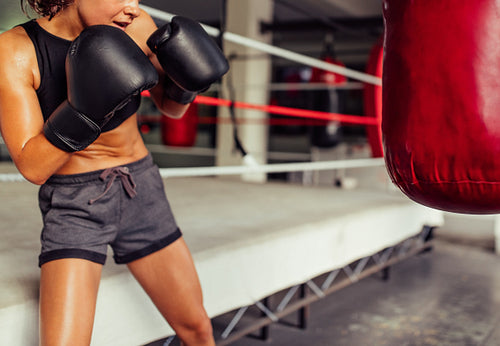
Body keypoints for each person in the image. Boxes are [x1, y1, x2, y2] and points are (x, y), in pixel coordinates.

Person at [0, 0, 228, 345]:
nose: (133, 7)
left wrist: (186, 83)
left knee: (197, 329)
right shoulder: (16, 51)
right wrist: (84, 112)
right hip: (76, 204)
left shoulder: (134, 24)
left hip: (141, 189)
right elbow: (32, 166)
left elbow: (171, 108)